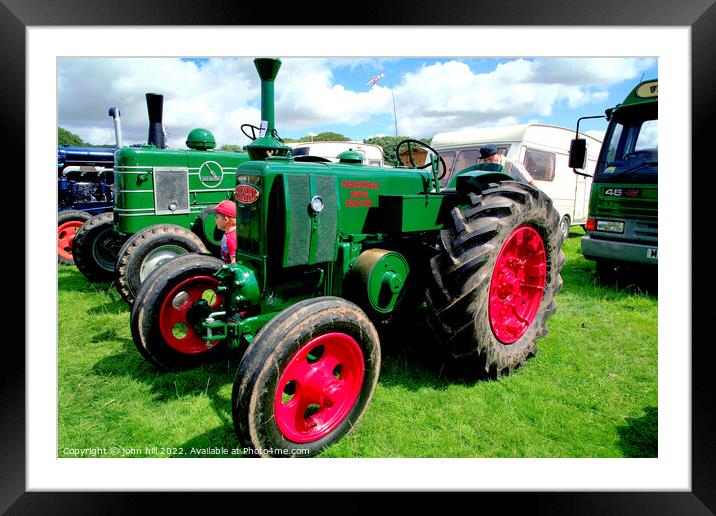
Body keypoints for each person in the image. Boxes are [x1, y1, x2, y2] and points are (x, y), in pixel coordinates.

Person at [208, 200, 237, 264]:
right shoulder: (228, 234)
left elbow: (234, 262)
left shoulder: (231, 239)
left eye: (217, 217)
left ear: (226, 220)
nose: (215, 219)